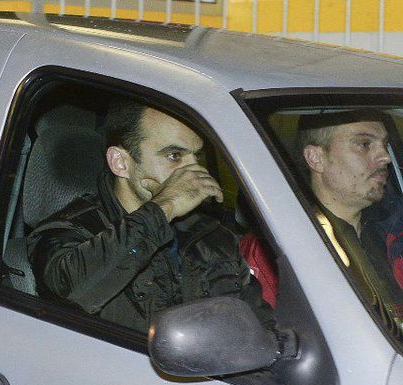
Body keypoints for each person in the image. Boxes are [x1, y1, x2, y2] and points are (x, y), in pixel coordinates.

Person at [27, 99, 272, 334]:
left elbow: (258, 326)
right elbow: (72, 291)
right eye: (174, 156)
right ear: (121, 162)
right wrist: (164, 206)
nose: (194, 170)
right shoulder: (69, 230)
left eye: (196, 156)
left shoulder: (210, 233)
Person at [297, 110, 403, 328]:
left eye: (384, 144)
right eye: (364, 144)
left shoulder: (391, 231)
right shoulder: (288, 244)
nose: (384, 156)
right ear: (316, 158)